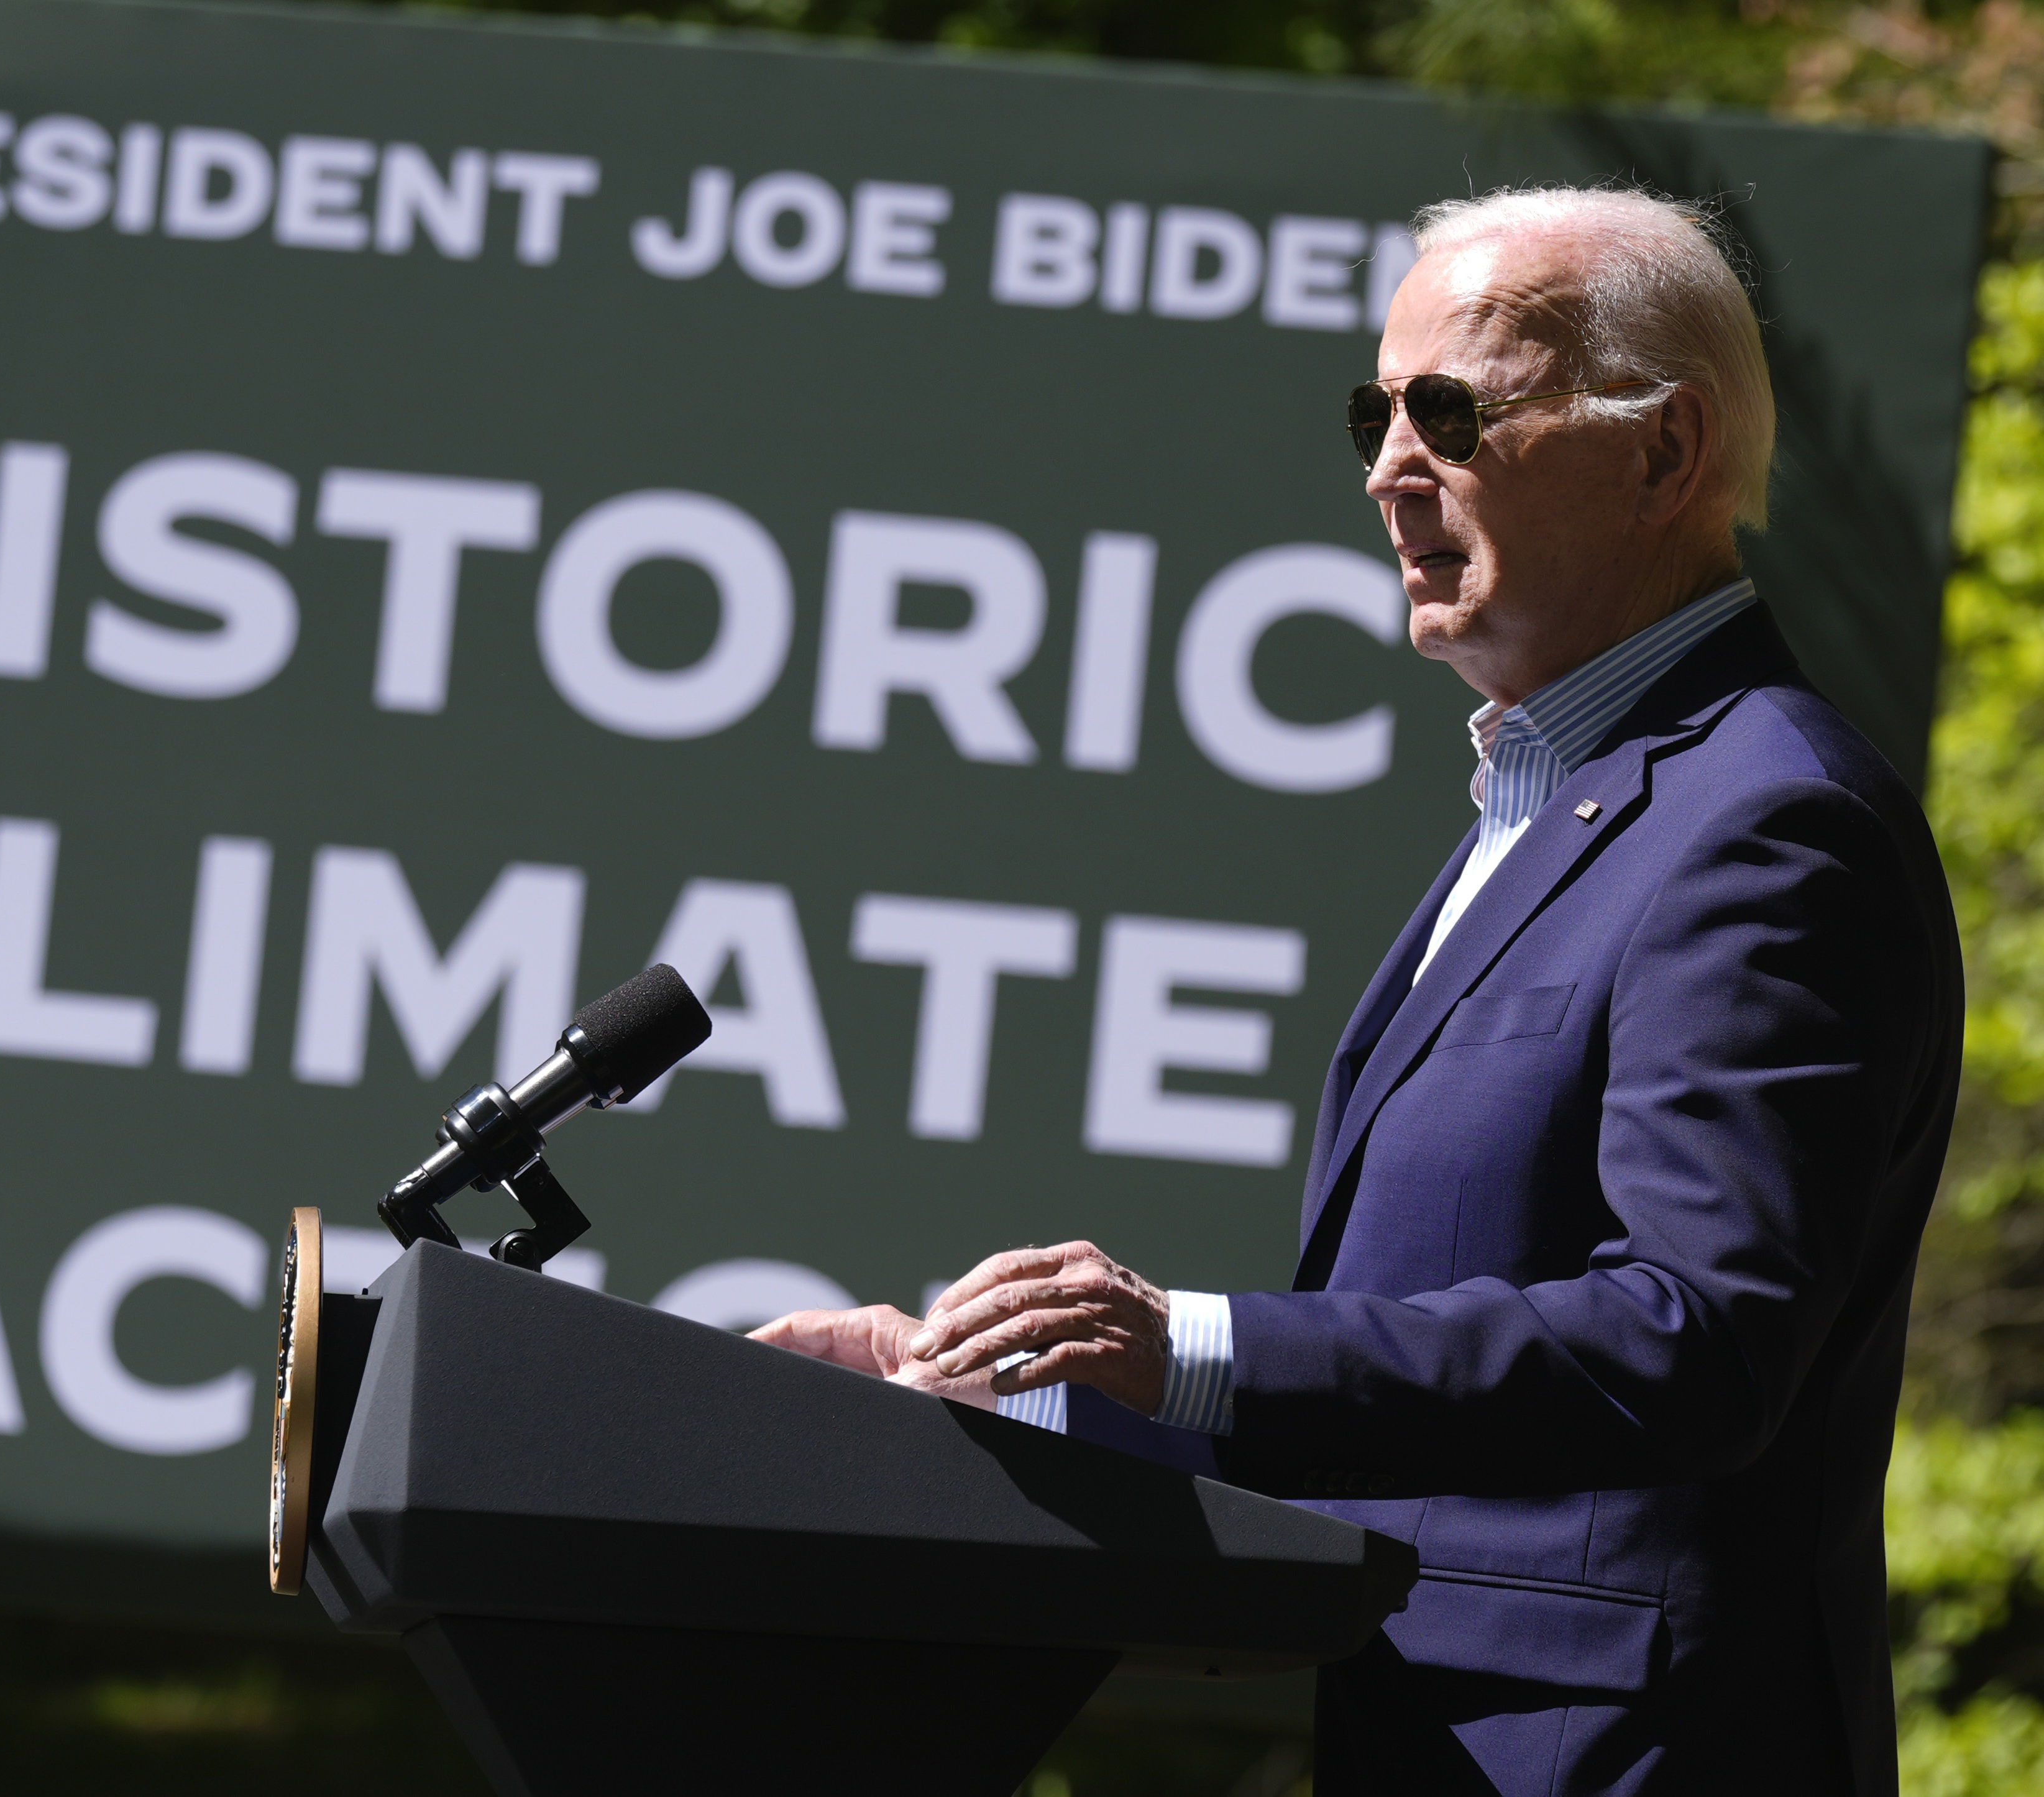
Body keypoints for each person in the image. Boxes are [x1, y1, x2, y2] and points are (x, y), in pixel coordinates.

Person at [752, 186, 1961, 1795]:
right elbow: (1421, 1383)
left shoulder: (1767, 823)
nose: (1391, 464)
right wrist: (995, 1390)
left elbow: (1695, 1336)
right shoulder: (1552, 804)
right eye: (1371, 410)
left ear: (1665, 453)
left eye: (1451, 411)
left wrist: (1185, 1342)